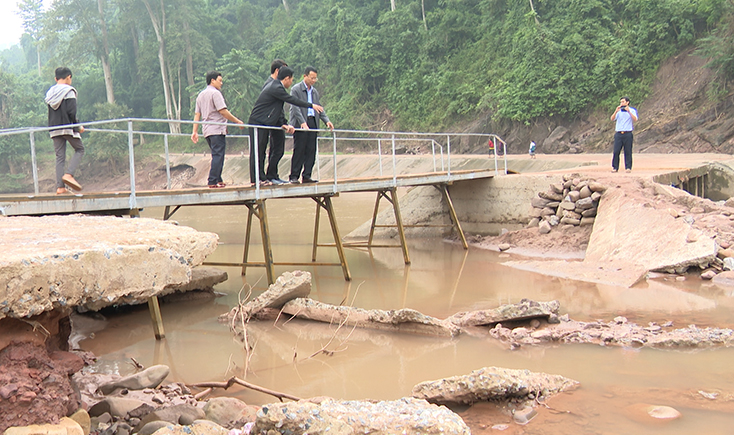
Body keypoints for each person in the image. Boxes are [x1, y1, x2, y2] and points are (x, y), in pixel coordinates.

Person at [248, 66, 323, 186]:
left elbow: (277, 109)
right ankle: (256, 180)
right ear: (287, 78)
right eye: (291, 80)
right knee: (258, 151)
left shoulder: (277, 87)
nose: (291, 82)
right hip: (258, 122)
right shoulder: (276, 87)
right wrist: (311, 105)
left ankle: (262, 178)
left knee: (261, 151)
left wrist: (284, 124)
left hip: (265, 122)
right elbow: (292, 100)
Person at [191, 71, 244, 188]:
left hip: (207, 130)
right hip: (216, 129)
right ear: (212, 80)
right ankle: (212, 180)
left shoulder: (201, 95)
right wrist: (237, 121)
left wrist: (194, 131)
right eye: (219, 80)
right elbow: (223, 111)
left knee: (216, 155)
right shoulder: (216, 94)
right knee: (218, 155)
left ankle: (218, 179)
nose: (221, 83)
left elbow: (197, 114)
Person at [288, 66, 334, 184]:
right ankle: (294, 176)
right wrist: (302, 122)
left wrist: (326, 120)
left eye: (315, 79)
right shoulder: (296, 89)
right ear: (305, 76)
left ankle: (307, 175)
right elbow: (295, 107)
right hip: (301, 123)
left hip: (313, 121)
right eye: (312, 78)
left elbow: (319, 108)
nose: (313, 80)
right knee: (299, 149)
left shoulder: (314, 92)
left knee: (311, 149)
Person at [45, 67, 84, 195]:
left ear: (56, 79)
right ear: (69, 77)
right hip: (67, 127)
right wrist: (78, 127)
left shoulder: (50, 93)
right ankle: (69, 174)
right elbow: (71, 112)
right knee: (79, 149)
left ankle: (60, 187)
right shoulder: (69, 91)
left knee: (59, 157)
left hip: (54, 128)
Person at [262, 59, 289, 184]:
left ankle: (273, 174)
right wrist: (281, 122)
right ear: (277, 71)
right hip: (274, 122)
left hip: (277, 121)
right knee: (276, 149)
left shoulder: (274, 84)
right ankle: (271, 175)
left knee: (277, 149)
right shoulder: (271, 84)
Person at [610, 96, 638, 173]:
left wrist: (629, 111)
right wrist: (616, 111)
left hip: (628, 133)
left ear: (627, 102)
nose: (621, 103)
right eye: (621, 102)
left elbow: (635, 119)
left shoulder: (632, 110)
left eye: (623, 102)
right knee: (616, 151)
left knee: (628, 151)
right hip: (619, 133)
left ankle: (628, 167)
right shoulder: (619, 111)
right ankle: (615, 167)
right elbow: (612, 119)